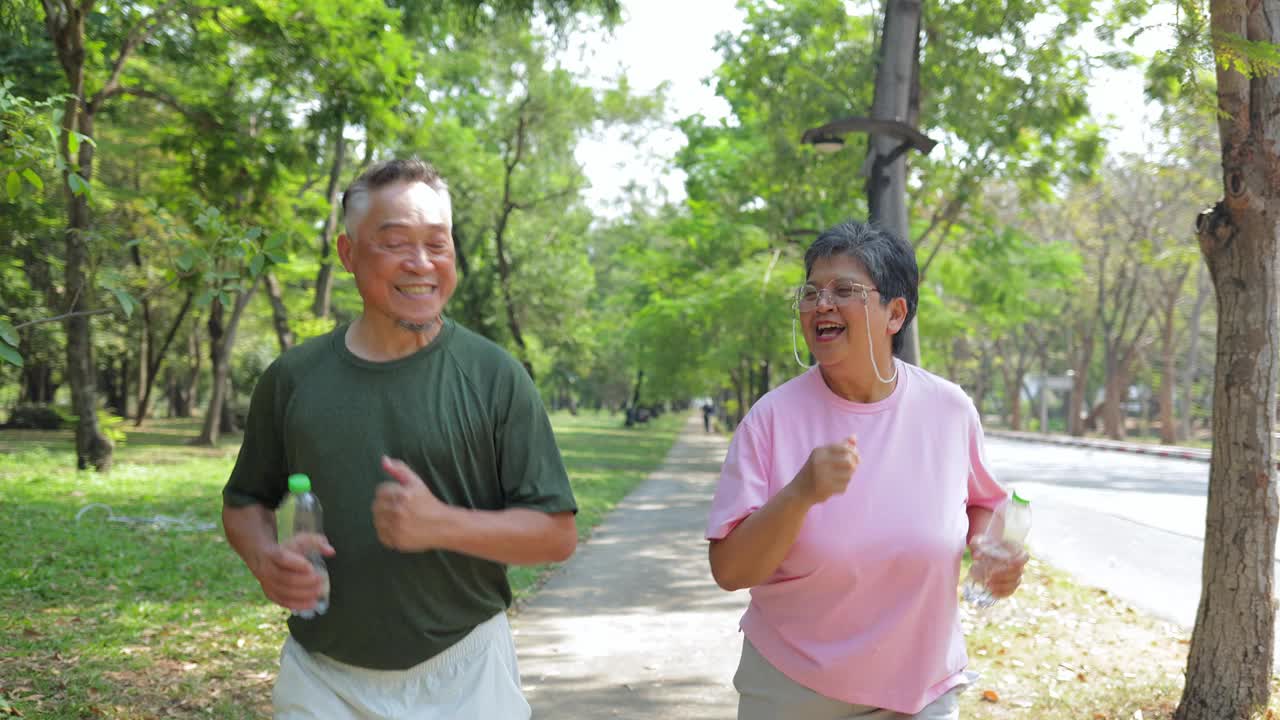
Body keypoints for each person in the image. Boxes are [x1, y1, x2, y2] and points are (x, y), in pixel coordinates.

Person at [221, 158, 578, 719]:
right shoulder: (293, 378)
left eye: (438, 244)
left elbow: (555, 535)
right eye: (395, 243)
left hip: (465, 671)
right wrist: (266, 558)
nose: (421, 264)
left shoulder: (494, 376)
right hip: (322, 677)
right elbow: (245, 502)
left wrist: (442, 524)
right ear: (348, 253)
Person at [705, 220, 1027, 720]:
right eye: (810, 292)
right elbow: (729, 570)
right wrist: (799, 495)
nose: (821, 304)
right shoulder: (771, 420)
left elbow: (984, 504)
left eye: (843, 290)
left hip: (922, 691)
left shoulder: (948, 409)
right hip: (795, 692)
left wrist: (990, 553)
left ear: (895, 313)